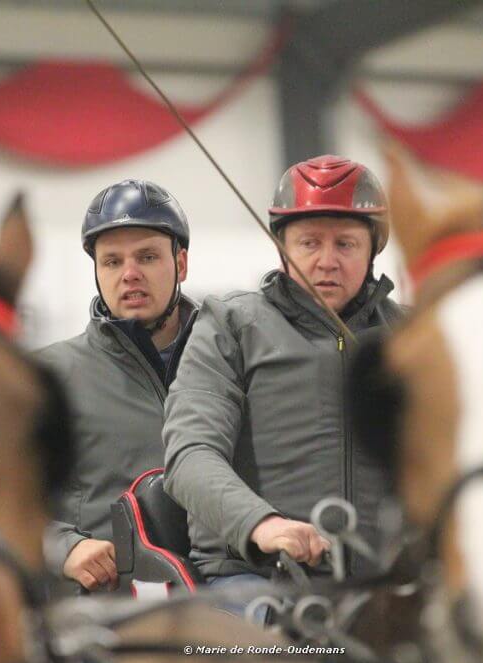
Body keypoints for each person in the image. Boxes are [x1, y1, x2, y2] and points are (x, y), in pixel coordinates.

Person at [163, 155, 405, 600]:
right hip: (254, 578)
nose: (327, 261)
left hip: (387, 588)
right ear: (282, 248)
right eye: (309, 243)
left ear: (372, 251)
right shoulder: (231, 325)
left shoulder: (412, 336)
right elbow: (190, 455)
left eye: (346, 244)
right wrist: (262, 524)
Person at [37, 179, 197, 592]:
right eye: (111, 261)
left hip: (222, 601)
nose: (129, 274)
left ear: (180, 264)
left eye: (147, 257)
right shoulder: (48, 375)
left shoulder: (229, 363)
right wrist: (63, 547)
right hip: (102, 608)